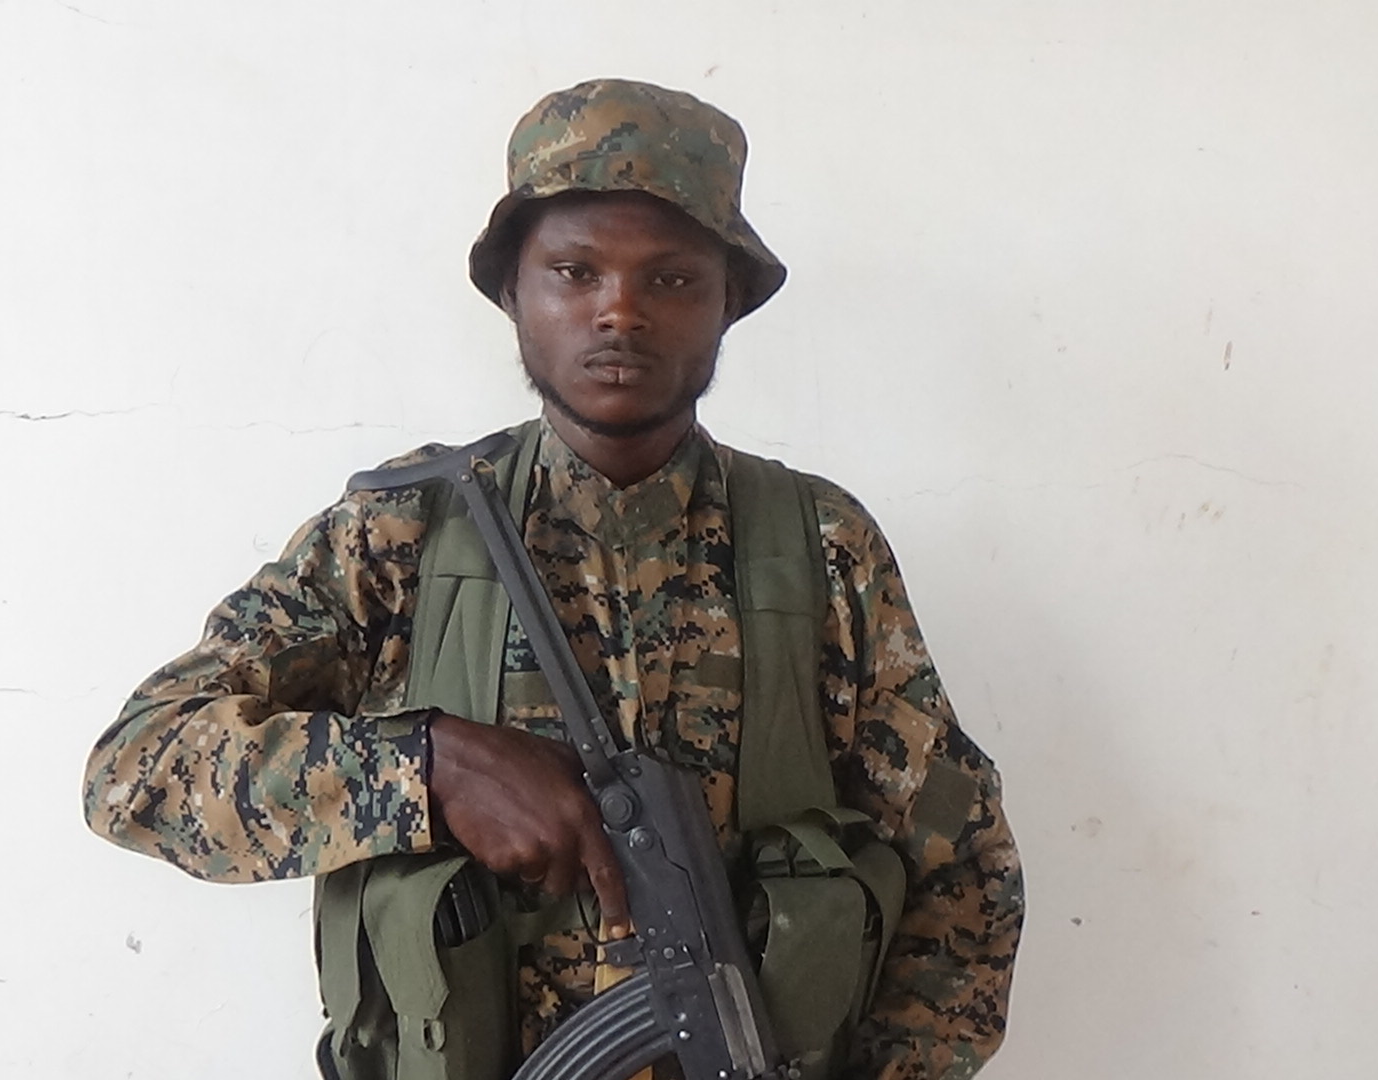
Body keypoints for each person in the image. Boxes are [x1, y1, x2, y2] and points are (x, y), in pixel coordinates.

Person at [83, 78, 1023, 1080]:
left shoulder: (820, 547)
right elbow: (137, 770)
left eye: (672, 279)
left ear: (728, 304)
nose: (620, 310)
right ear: (512, 293)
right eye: (575, 272)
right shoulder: (402, 536)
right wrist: (429, 770)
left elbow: (963, 872)